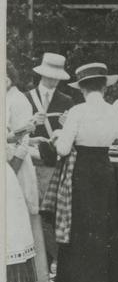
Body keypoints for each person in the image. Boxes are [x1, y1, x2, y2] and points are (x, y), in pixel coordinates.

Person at [46, 63, 118, 282]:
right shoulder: (115, 112)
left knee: (79, 230)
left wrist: (58, 133)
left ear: (82, 89)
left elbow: (63, 148)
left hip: (81, 173)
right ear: (105, 88)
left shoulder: (77, 111)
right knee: (104, 229)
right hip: (104, 171)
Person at [24, 52, 74, 268]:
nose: (53, 80)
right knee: (32, 214)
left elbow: (71, 137)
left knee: (51, 214)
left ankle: (53, 263)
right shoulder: (26, 98)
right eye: (49, 75)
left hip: (54, 165)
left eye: (57, 77)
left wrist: (66, 124)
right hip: (30, 164)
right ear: (41, 74)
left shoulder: (67, 101)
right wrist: (30, 123)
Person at [7, 63, 50, 282]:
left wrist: (11, 167)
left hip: (17, 168)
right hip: (6, 166)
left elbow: (22, 140)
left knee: (25, 226)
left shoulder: (18, 100)